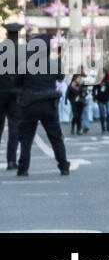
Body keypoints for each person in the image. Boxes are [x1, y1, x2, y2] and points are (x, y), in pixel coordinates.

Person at [14, 34, 70, 177]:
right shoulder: (53, 63)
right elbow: (61, 77)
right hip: (48, 104)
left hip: (29, 104)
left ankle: (23, 168)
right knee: (55, 137)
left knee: (26, 138)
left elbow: (18, 82)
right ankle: (63, 166)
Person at [0, 23, 22, 169]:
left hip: (0, 92)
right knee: (14, 126)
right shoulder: (22, 51)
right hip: (15, 93)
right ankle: (11, 160)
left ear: (7, 34)